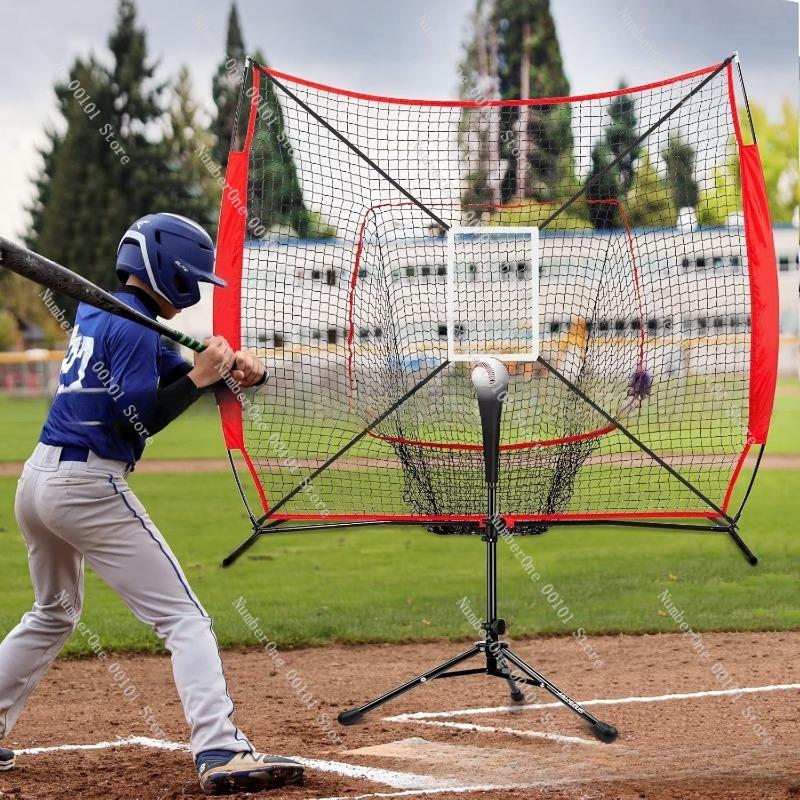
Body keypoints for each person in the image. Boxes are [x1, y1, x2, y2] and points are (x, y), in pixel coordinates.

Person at [0, 213, 304, 795]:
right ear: (169, 271)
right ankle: (220, 748)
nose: (195, 293)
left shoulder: (106, 312)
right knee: (185, 618)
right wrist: (200, 379)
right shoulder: (134, 324)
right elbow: (137, 414)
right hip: (87, 484)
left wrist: (234, 370)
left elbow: (179, 374)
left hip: (38, 481)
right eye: (193, 280)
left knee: (54, 610)